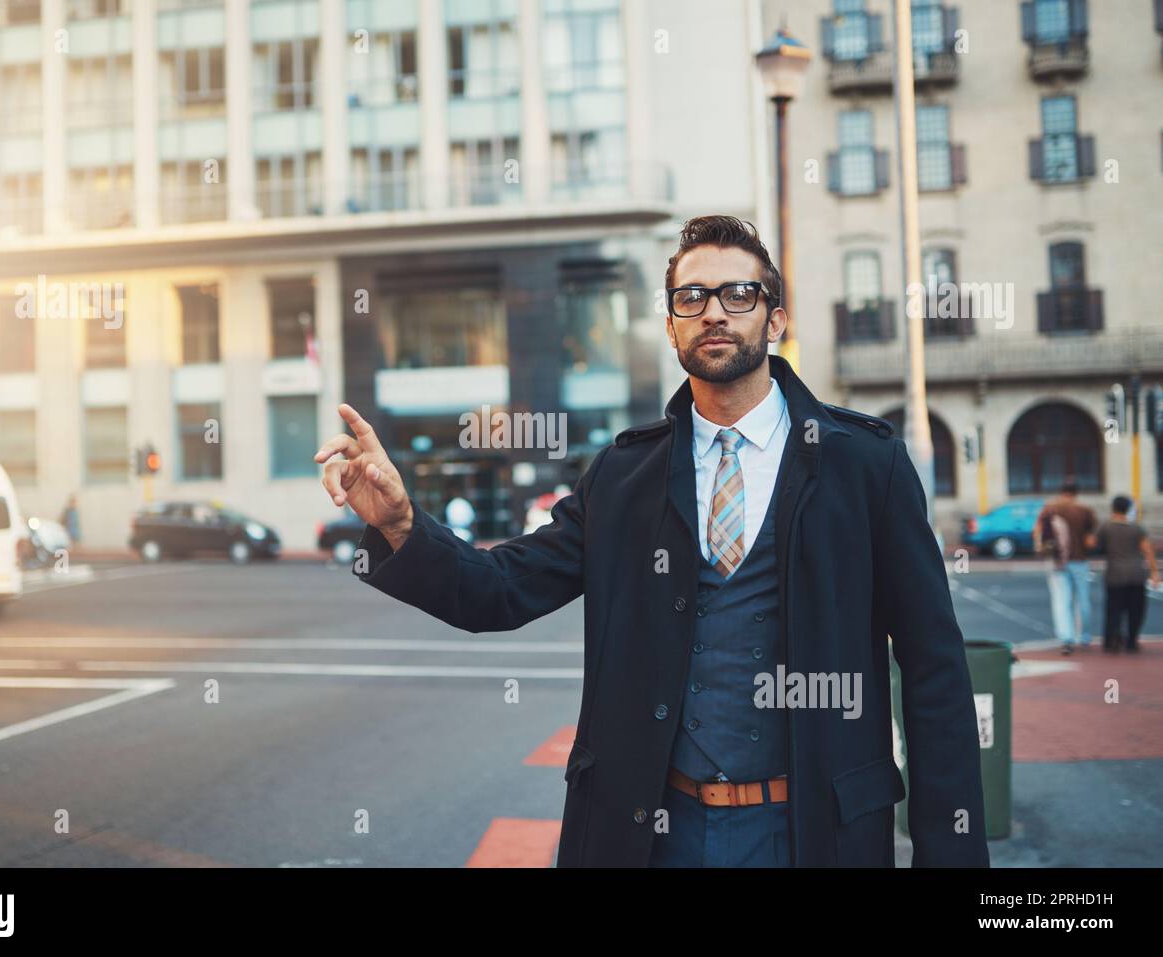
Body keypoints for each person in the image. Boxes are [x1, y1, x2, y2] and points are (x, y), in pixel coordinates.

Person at [315, 214, 987, 868]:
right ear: (670, 325)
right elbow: (499, 590)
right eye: (691, 297)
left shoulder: (865, 465)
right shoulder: (623, 476)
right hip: (651, 835)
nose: (714, 312)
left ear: (774, 319)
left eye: (738, 293)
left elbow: (934, 671)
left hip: (813, 832)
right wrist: (401, 523)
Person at [1033, 478, 1098, 655]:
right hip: (1079, 560)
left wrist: (1041, 548)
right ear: (1077, 492)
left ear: (1061, 491)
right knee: (1083, 600)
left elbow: (1037, 531)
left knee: (1062, 600)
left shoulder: (1050, 507)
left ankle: (1066, 639)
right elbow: (1090, 542)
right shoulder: (1085, 510)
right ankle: (1084, 636)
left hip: (1056, 561)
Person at [1097, 496, 1159, 653]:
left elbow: (1093, 543)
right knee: (1136, 610)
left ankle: (1112, 640)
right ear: (1128, 509)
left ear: (1113, 508)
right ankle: (1132, 641)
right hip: (1137, 574)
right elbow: (1148, 550)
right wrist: (1154, 573)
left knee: (1114, 609)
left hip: (1115, 575)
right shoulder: (1136, 528)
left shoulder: (1105, 527)